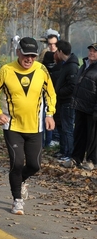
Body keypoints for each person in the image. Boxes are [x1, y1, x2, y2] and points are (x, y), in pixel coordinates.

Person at [0, 37, 56, 215]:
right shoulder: (6, 70)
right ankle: (17, 200)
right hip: (12, 126)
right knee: (17, 163)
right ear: (18, 52)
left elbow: (50, 93)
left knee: (35, 165)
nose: (29, 59)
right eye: (26, 55)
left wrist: (50, 114)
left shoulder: (41, 70)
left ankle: (21, 180)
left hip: (35, 127)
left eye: (33, 56)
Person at [62, 42, 97, 171]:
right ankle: (76, 158)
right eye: (90, 50)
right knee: (79, 134)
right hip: (80, 106)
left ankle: (91, 160)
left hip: (92, 108)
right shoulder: (85, 65)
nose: (91, 53)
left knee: (93, 137)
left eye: (94, 51)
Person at [53, 40, 78, 162]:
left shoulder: (72, 66)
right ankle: (63, 150)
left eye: (57, 50)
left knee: (67, 128)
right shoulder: (65, 65)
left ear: (60, 51)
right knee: (62, 127)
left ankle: (69, 153)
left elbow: (72, 86)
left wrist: (59, 92)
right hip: (62, 102)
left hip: (68, 102)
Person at [41, 29, 62, 149]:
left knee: (57, 116)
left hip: (59, 92)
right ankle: (46, 142)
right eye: (50, 44)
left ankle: (56, 138)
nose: (52, 46)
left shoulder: (63, 58)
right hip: (46, 91)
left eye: (54, 44)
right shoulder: (46, 56)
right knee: (45, 115)